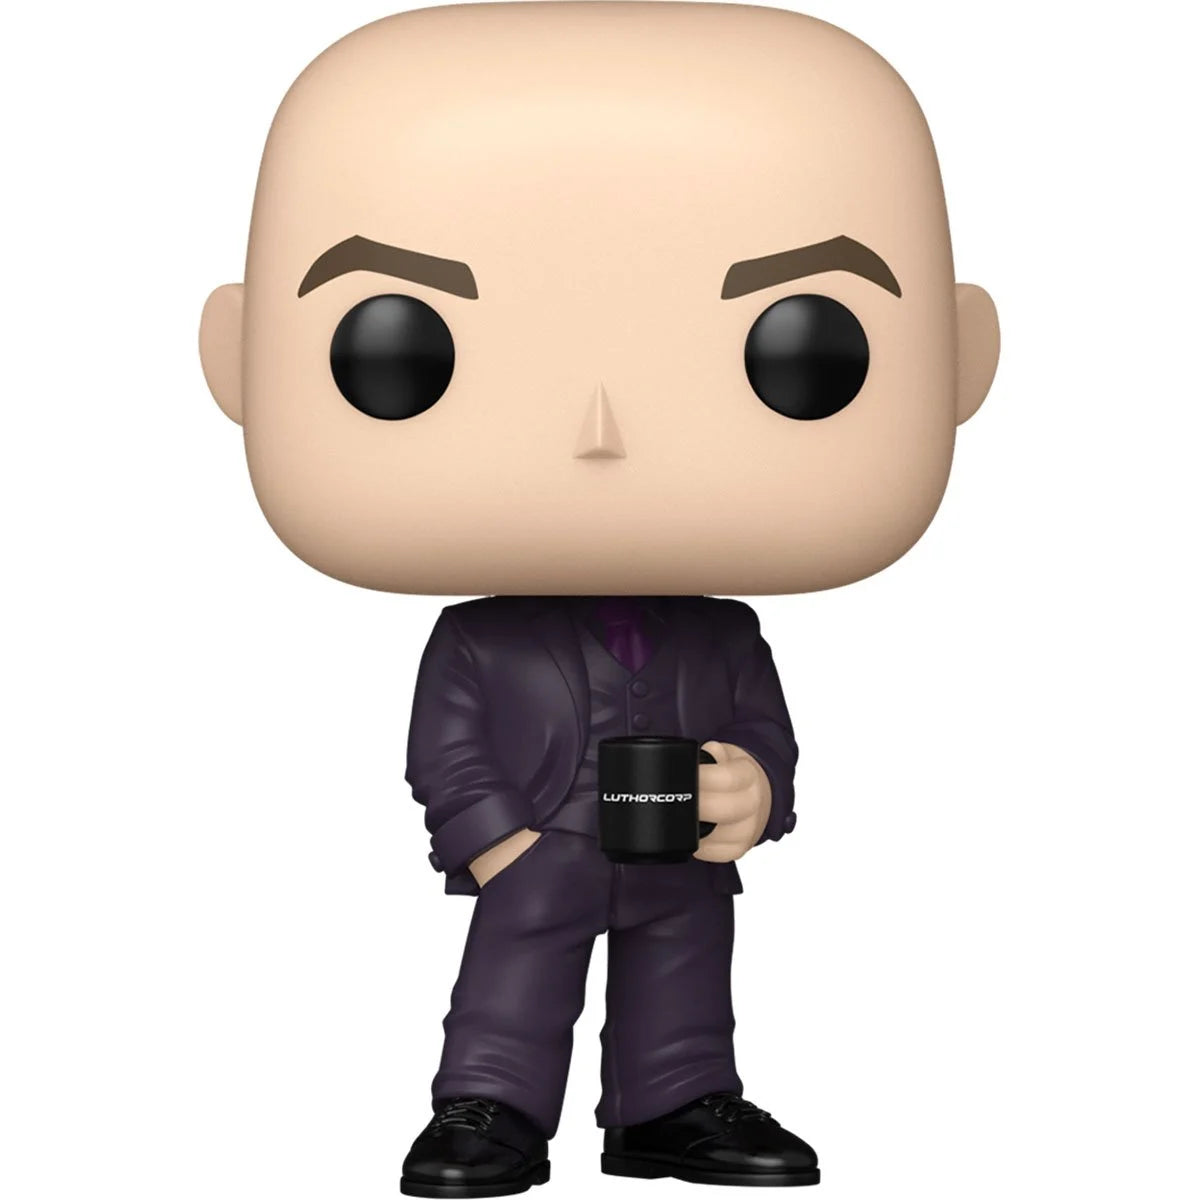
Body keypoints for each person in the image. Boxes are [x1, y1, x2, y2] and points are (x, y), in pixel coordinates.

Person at [199, 4, 999, 1194]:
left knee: (687, 973)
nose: (600, 430)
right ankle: (488, 1108)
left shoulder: (726, 632)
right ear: (239, 358)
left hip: (680, 852)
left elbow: (767, 733)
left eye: (804, 347)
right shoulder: (477, 638)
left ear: (960, 360)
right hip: (540, 846)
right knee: (512, 986)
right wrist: (495, 843)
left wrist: (754, 792)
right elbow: (443, 752)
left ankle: (673, 1101)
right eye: (400, 349)